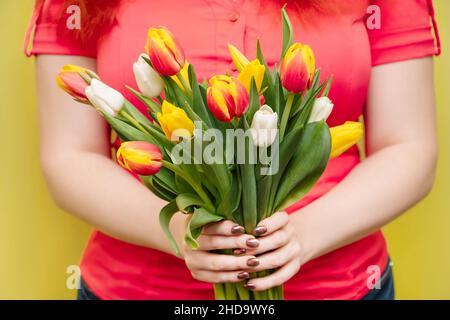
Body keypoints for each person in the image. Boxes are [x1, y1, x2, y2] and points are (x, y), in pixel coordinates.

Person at [25, 0, 441, 300]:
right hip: (135, 289)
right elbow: (70, 157)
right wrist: (178, 233)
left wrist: (303, 235)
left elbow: (409, 146)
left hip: (341, 288)